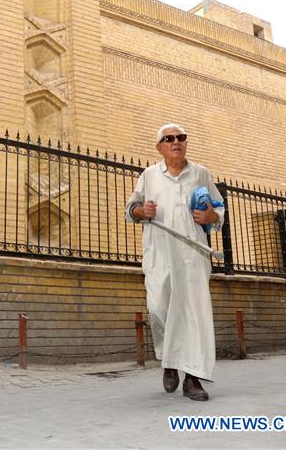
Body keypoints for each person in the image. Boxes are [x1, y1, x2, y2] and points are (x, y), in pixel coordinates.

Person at [125, 124, 224, 401]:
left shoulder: (201, 173)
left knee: (194, 314)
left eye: (181, 137)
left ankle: (192, 379)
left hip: (192, 254)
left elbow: (218, 207)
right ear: (159, 147)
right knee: (158, 308)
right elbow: (130, 209)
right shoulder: (149, 175)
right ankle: (169, 361)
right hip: (159, 254)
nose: (176, 142)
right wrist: (141, 211)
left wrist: (212, 217)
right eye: (169, 138)